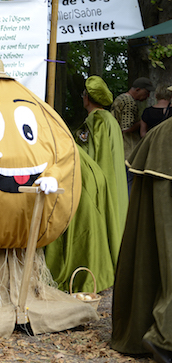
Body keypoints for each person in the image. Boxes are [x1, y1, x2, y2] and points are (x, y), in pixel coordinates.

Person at [45, 75, 128, 293]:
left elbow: (90, 156)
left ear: (88, 98)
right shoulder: (110, 119)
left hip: (99, 180)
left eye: (84, 94)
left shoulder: (95, 120)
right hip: (113, 180)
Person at [111, 115, 172, 362]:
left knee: (153, 248)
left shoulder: (160, 131)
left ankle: (151, 329)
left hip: (161, 144)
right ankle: (164, 335)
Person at [111, 76, 153, 192]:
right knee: (129, 185)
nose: (148, 96)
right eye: (147, 92)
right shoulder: (129, 102)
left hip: (120, 148)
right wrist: (143, 121)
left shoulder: (122, 98)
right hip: (127, 150)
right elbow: (126, 128)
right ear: (138, 90)